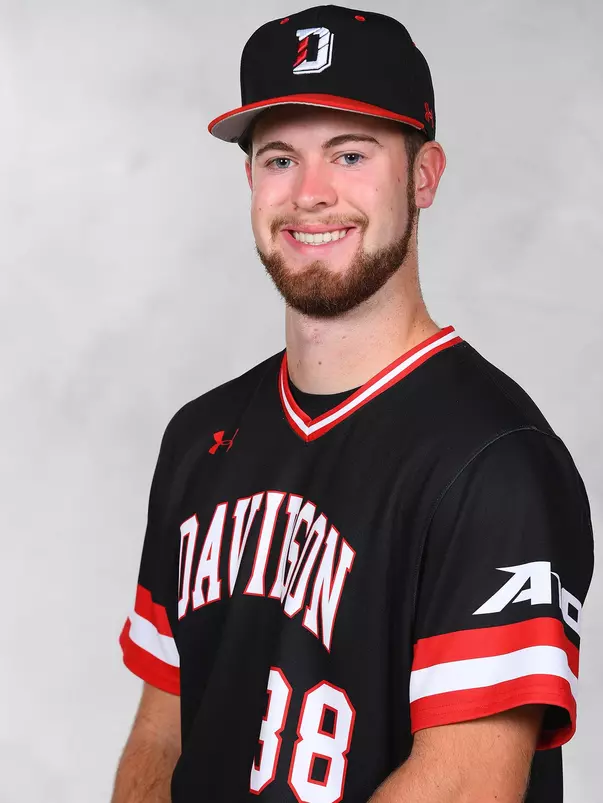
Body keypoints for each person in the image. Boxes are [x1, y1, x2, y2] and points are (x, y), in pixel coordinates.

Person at [110, 6, 594, 803]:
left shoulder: (497, 460)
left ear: (423, 175)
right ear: (249, 180)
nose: (310, 194)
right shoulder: (199, 437)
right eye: (278, 159)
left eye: (349, 153)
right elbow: (162, 733)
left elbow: (467, 783)